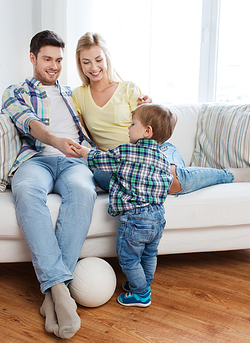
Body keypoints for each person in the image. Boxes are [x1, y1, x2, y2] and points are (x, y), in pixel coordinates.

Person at [72, 32, 250, 195]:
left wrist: (149, 107)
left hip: (155, 152)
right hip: (118, 162)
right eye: (86, 62)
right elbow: (81, 134)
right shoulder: (78, 95)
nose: (94, 67)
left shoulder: (128, 88)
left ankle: (229, 175)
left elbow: (150, 127)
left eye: (98, 60)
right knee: (102, 175)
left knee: (171, 180)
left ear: (107, 59)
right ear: (80, 64)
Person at [1, 30, 96, 339]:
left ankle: (51, 297)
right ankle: (58, 287)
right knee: (26, 191)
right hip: (36, 159)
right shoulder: (15, 91)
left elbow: (105, 109)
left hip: (75, 162)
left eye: (58, 60)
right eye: (47, 59)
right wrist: (57, 140)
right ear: (33, 58)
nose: (54, 66)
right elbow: (30, 123)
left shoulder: (74, 93)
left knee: (83, 191)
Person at [71, 104, 177, 307]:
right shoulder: (164, 159)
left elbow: (101, 159)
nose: (128, 128)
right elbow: (166, 185)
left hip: (136, 219)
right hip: (157, 217)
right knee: (149, 254)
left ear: (147, 131)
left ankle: (141, 293)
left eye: (133, 123)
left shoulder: (128, 152)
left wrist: (83, 150)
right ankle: (144, 283)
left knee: (129, 258)